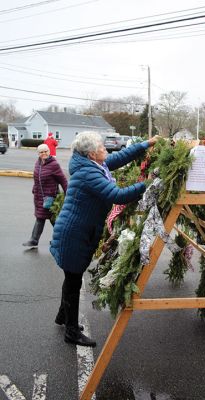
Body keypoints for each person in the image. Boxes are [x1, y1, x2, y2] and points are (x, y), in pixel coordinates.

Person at [50, 131, 159, 347]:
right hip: (74, 235)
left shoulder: (92, 165)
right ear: (91, 154)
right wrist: (148, 183)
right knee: (73, 280)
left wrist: (146, 144)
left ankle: (63, 316)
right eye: (101, 147)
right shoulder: (88, 174)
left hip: (78, 232)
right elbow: (116, 195)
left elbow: (118, 158)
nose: (105, 150)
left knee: (72, 277)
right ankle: (71, 331)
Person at [23, 144, 67, 248]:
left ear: (49, 151)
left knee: (54, 220)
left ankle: (61, 239)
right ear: (38, 154)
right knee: (40, 218)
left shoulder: (54, 165)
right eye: (41, 152)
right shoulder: (37, 163)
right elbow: (36, 178)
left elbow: (63, 180)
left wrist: (67, 193)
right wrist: (34, 189)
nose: (44, 153)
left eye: (45, 151)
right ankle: (34, 241)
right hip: (39, 197)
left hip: (51, 197)